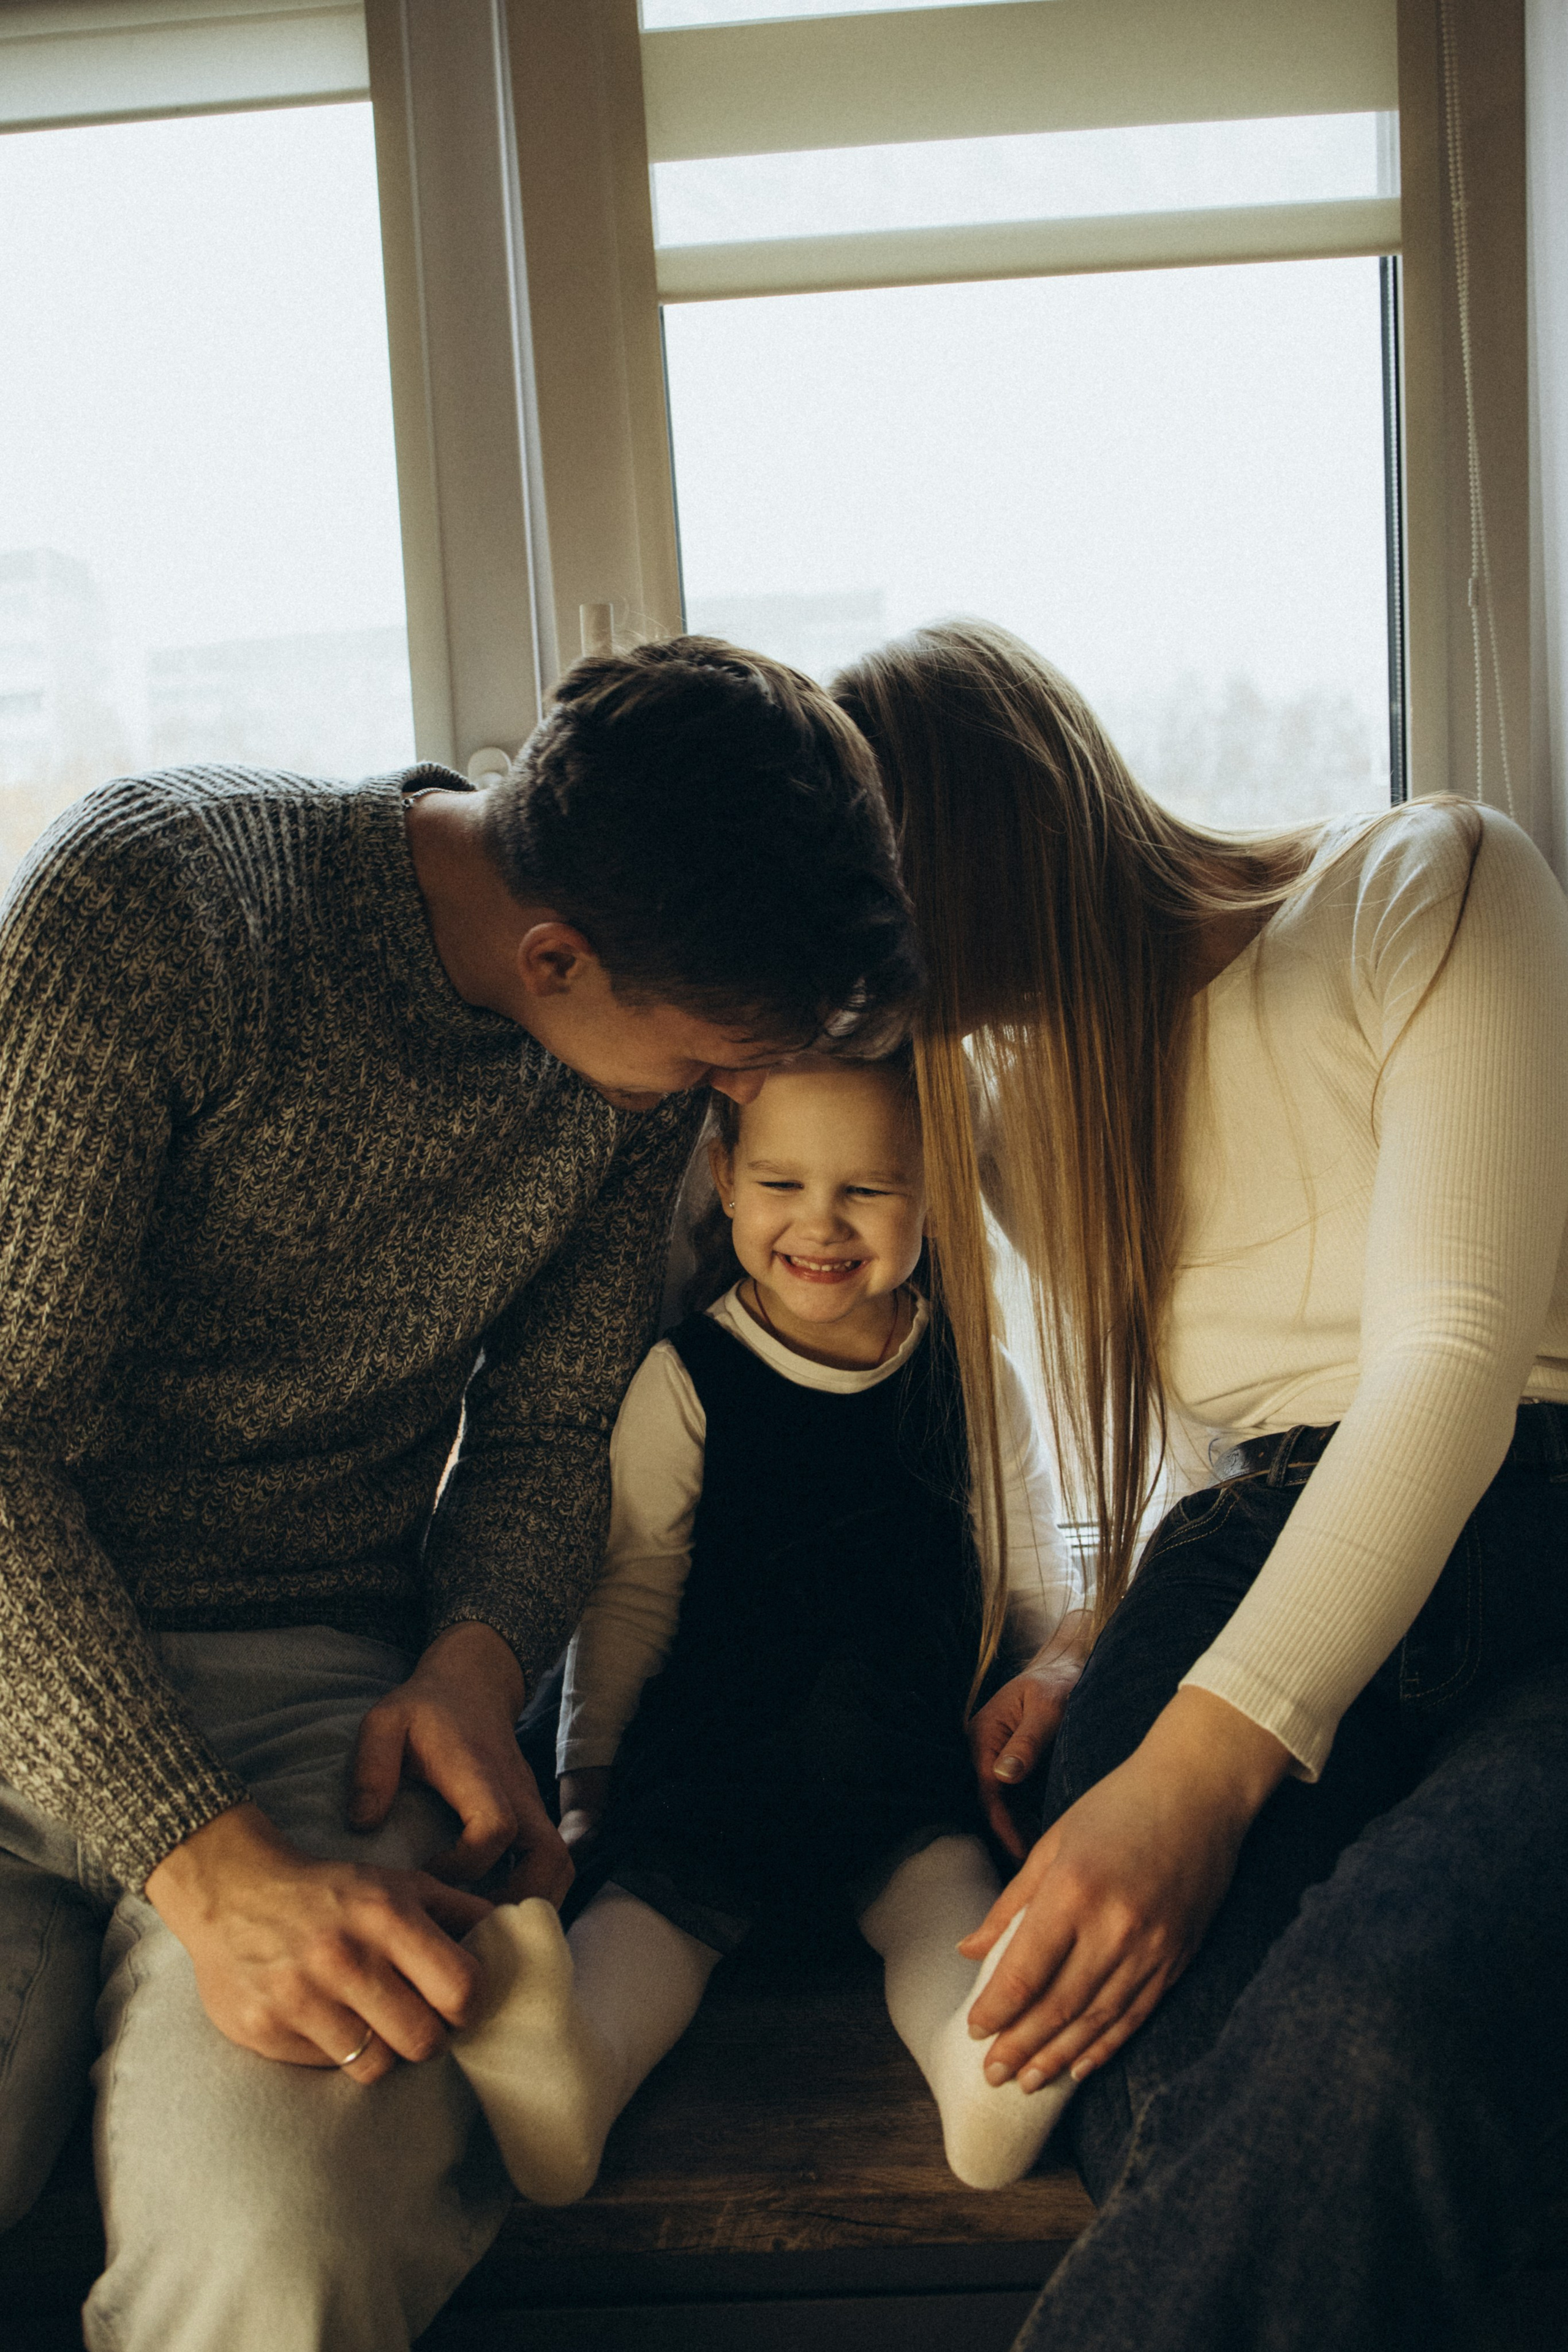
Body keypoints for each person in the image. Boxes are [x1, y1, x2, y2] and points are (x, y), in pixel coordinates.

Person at [0, 636, 918, 2352]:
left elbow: (550, 1425)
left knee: (281, 2246)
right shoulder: (149, 914)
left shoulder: (621, 1064)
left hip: (316, 1701)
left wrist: (477, 1661)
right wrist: (201, 1863)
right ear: (556, 955)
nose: (735, 1101)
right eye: (714, 1063)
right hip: (21, 1657)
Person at [831, 618, 1568, 2351]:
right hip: (1244, 1557)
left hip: (1534, 1515)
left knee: (1385, 2031)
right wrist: (1087, 1642)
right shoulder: (1018, 1111)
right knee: (1153, 2060)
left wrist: (1185, 1778)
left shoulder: (1428, 884)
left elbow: (1448, 1359)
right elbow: (1199, 1439)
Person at [447, 1053, 1087, 2201]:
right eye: (784, 1185)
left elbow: (1027, 1566)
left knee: (946, 1908)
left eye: (868, 1190)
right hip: (718, 1759)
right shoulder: (688, 1375)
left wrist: (1055, 1671)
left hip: (902, 1763)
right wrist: (588, 1780)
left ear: (934, 1193)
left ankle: (982, 2074)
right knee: (648, 1925)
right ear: (725, 1181)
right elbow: (631, 1594)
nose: (821, 1224)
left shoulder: (967, 1372)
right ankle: (574, 2078)